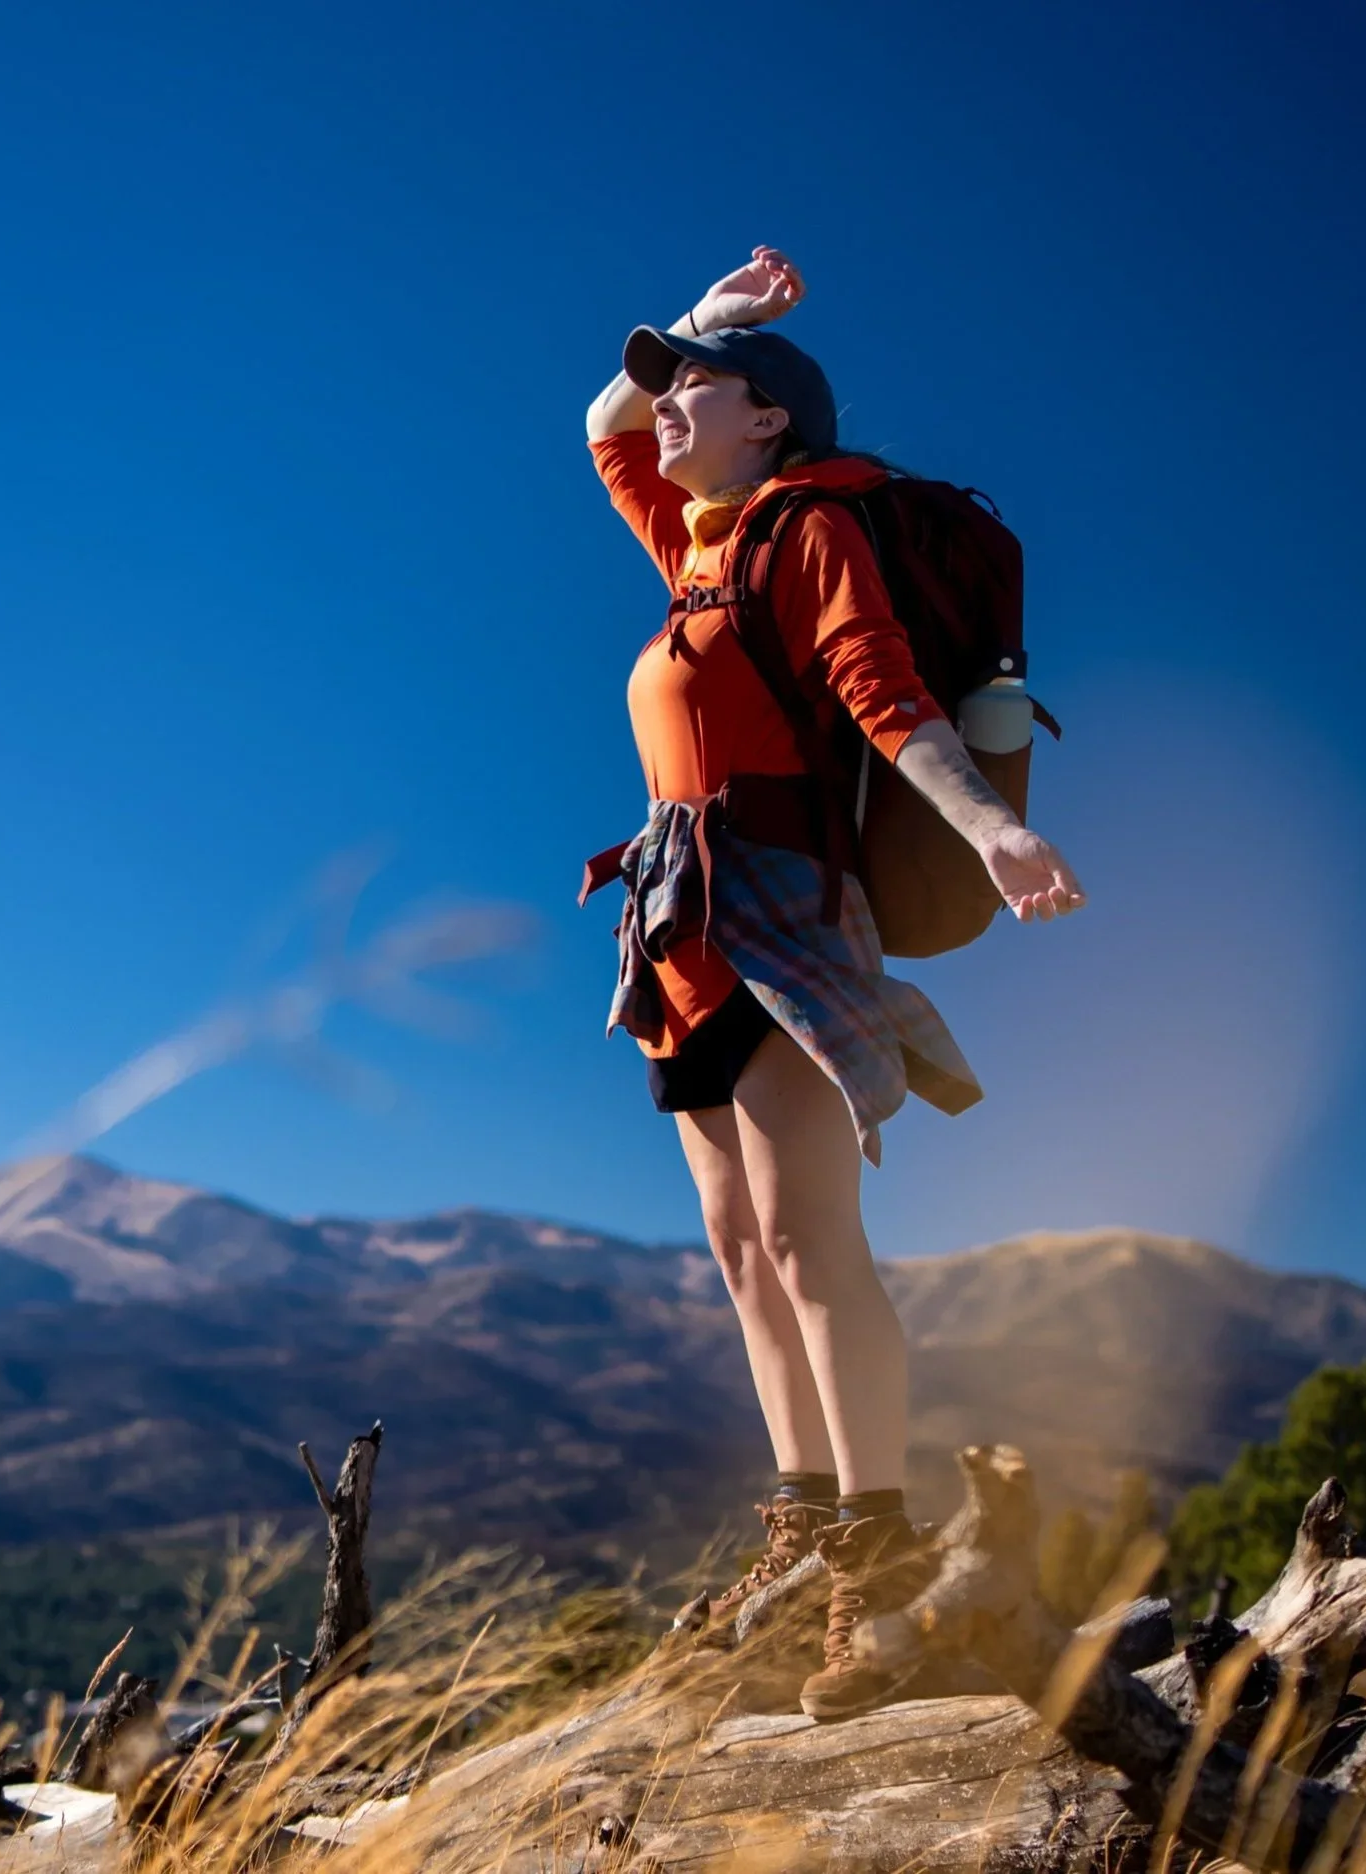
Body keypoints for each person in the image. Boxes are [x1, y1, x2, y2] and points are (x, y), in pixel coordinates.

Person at [583, 247, 1086, 1720]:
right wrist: (702, 320)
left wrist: (992, 823)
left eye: (703, 393)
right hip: (677, 923)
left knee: (810, 1239)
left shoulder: (807, 532)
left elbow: (880, 684)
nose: (669, 407)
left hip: (781, 901)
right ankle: (803, 1539)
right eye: (675, 389)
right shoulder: (694, 542)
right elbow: (600, 425)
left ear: (773, 424)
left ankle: (877, 1559)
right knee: (741, 1244)